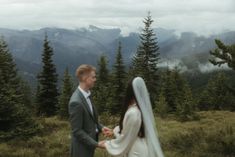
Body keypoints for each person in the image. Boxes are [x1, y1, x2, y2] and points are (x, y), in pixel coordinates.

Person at [101, 77, 164, 157]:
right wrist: (114, 131)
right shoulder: (140, 109)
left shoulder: (133, 113)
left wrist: (108, 145)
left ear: (129, 92)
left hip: (135, 151)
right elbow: (129, 129)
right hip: (141, 146)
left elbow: (127, 138)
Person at [68, 64, 111, 157]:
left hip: (88, 147)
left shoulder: (87, 94)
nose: (95, 79)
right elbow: (77, 131)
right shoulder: (76, 102)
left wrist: (101, 127)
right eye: (93, 77)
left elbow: (91, 119)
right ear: (84, 78)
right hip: (81, 150)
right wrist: (97, 144)